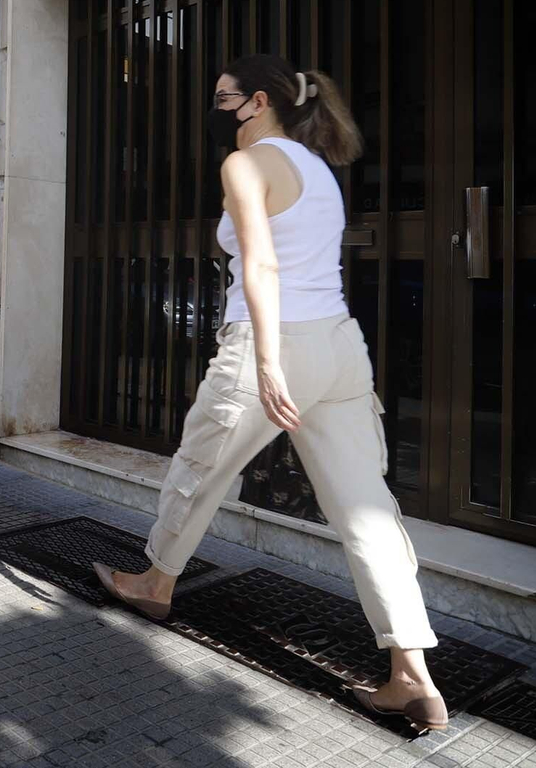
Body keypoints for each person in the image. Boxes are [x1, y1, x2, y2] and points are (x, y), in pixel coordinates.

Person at [94, 54, 448, 733]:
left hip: (274, 338)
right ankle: (412, 671)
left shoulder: (245, 166)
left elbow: (258, 261)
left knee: (201, 465)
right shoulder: (319, 170)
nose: (217, 112)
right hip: (340, 347)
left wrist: (267, 360)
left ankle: (154, 582)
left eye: (223, 99)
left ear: (258, 101)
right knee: (367, 509)